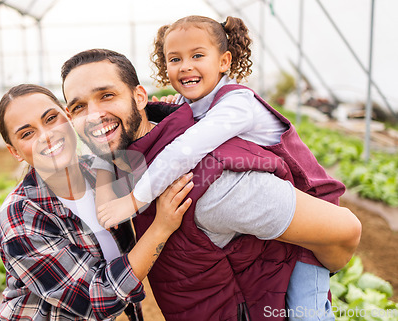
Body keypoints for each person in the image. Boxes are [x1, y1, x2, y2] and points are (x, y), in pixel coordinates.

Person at [61, 48, 361, 320]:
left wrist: (309, 287)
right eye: (78, 107)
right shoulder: (127, 161)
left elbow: (345, 231)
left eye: (106, 96)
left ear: (139, 98)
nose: (93, 115)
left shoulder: (210, 184)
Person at [0, 84, 194, 321]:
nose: (46, 136)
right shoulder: (19, 217)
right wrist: (161, 228)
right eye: (27, 133)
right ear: (14, 151)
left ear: (68, 116)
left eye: (50, 118)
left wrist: (165, 111)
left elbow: (150, 146)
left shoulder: (101, 170)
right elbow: (96, 297)